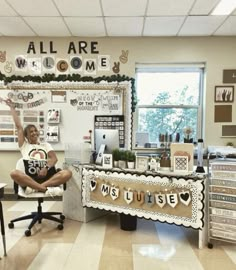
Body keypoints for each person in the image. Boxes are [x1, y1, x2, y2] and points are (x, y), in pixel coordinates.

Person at [4, 98, 72, 196]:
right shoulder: (24, 146)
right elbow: (19, 127)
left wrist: (45, 168)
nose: (34, 133)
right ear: (26, 136)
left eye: (35, 130)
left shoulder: (46, 145)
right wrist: (12, 107)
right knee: (14, 173)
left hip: (47, 177)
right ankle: (44, 189)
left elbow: (54, 159)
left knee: (67, 173)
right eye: (31, 132)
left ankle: (36, 188)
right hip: (30, 179)